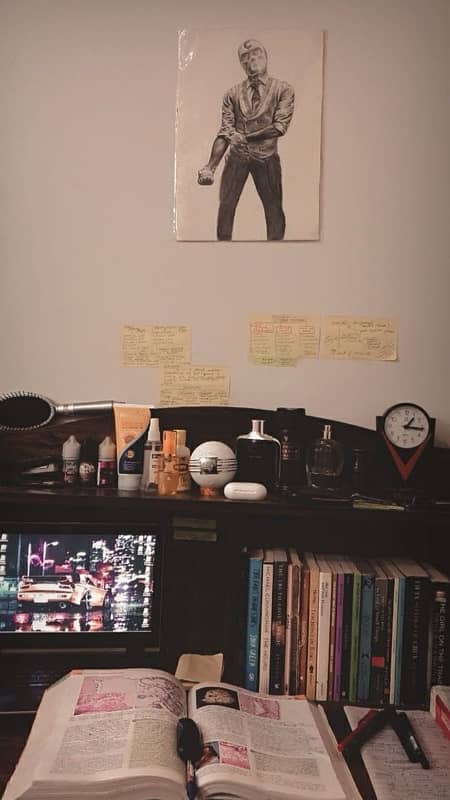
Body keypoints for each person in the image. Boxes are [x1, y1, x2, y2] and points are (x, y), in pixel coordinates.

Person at [198, 39, 295, 241]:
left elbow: (279, 127)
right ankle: (221, 253)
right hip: (237, 159)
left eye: (256, 53)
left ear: (266, 56)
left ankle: (277, 253)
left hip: (266, 158)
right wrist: (210, 166)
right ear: (241, 64)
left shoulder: (283, 90)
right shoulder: (232, 94)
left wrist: (243, 137)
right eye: (245, 57)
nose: (251, 58)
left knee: (274, 208)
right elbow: (225, 132)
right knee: (226, 206)